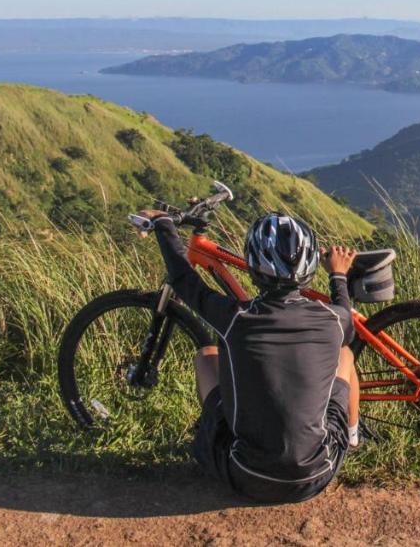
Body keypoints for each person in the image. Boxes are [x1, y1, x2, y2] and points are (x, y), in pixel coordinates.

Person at [136, 207, 360, 503]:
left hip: (245, 475)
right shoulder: (334, 319)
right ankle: (353, 437)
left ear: (253, 268)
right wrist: (338, 275)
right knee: (344, 355)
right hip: (316, 475)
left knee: (206, 356)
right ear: (309, 269)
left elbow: (182, 277)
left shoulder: (234, 318)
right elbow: (345, 311)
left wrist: (164, 223)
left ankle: (218, 433)